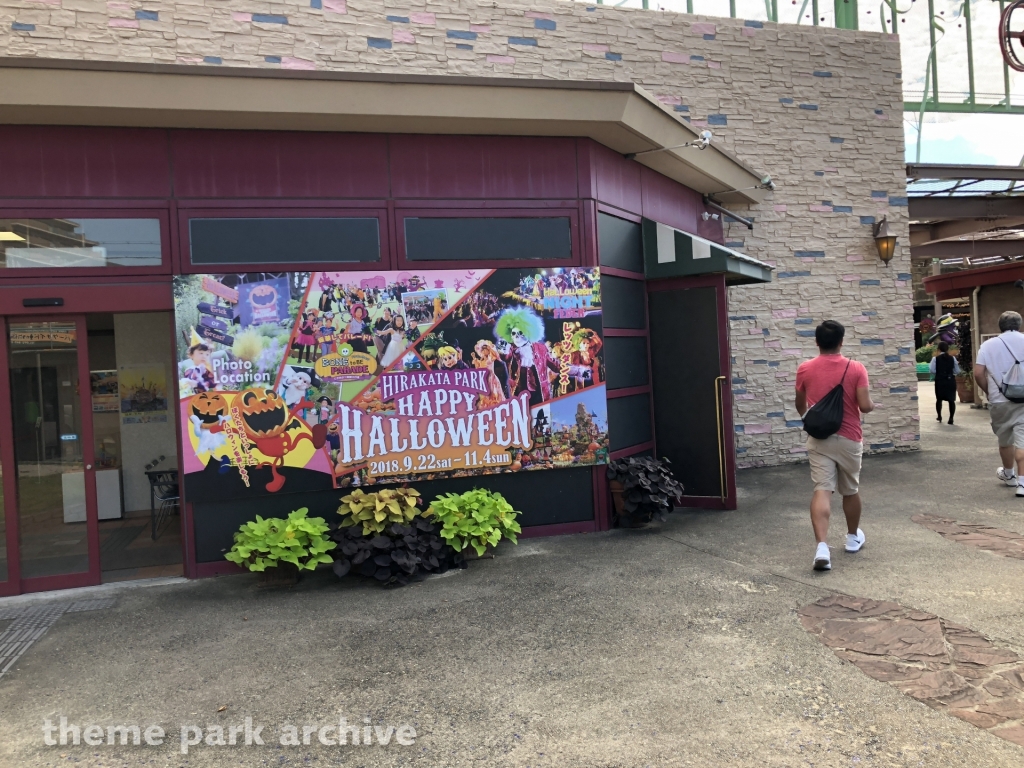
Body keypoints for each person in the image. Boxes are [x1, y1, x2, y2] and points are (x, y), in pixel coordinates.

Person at [795, 320, 875, 572]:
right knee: (850, 489)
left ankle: (822, 547)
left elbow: (800, 405)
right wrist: (872, 406)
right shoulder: (856, 368)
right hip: (850, 437)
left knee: (822, 489)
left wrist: (810, 417)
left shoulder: (805, 368)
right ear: (841, 341)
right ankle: (852, 538)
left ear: (817, 341)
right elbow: (864, 405)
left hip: (819, 437)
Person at [973, 310, 1024, 496]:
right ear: (1019, 325)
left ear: (1000, 326)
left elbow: (978, 373)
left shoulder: (989, 345)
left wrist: (989, 391)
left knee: (1005, 440)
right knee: (1023, 440)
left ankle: (1009, 475)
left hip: (999, 399)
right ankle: (1022, 483)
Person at [930, 341, 961, 424]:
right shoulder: (952, 358)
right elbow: (957, 371)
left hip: (940, 381)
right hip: (950, 380)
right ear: (947, 349)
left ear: (939, 349)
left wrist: (940, 372)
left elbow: (932, 370)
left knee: (939, 399)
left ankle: (939, 416)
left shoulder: (935, 359)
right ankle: (951, 418)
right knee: (951, 400)